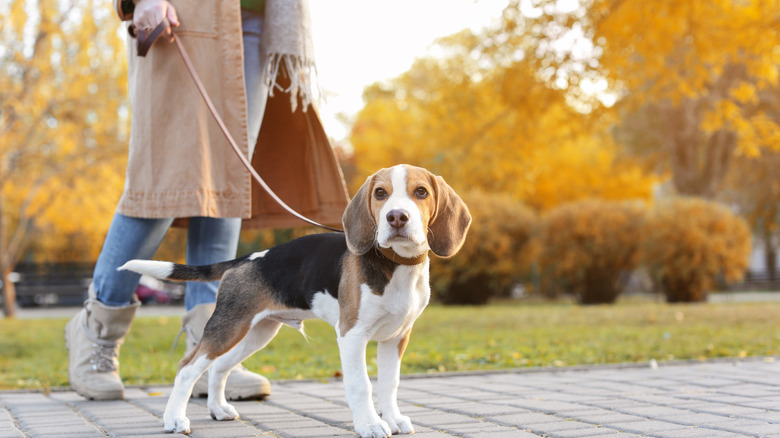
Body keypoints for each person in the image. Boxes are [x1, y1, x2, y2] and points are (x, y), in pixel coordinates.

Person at [65, 0, 349, 401]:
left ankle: (211, 343)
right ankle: (96, 330)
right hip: (181, 17)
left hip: (252, 22)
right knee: (158, 187)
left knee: (228, 185)